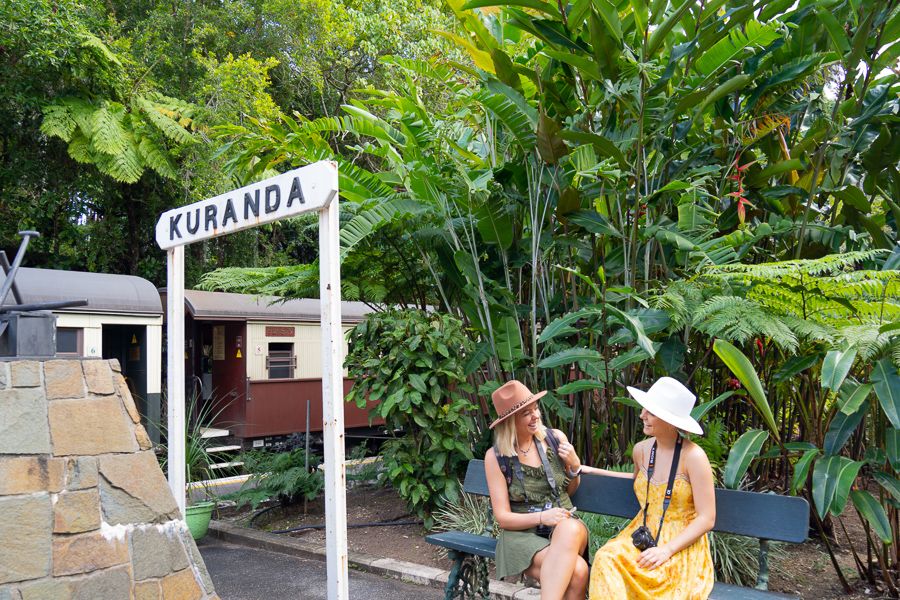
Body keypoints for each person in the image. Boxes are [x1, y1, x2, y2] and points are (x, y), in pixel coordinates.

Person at [588, 377, 716, 599]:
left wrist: (666, 550)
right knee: (606, 558)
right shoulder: (642, 450)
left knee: (662, 583)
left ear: (669, 420)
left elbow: (707, 518)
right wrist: (591, 470)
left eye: (651, 412)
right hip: (643, 533)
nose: (642, 415)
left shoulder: (693, 457)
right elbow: (636, 480)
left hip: (680, 544)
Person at [484, 380, 589, 600]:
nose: (536, 416)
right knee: (578, 571)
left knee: (569, 529)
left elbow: (568, 491)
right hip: (521, 536)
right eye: (526, 414)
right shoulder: (496, 457)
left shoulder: (554, 439)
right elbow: (503, 518)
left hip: (564, 526)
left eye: (535, 409)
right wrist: (543, 516)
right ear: (510, 421)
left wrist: (574, 466)